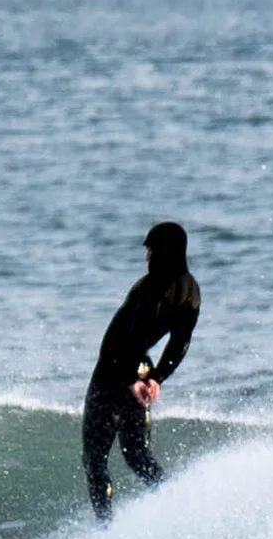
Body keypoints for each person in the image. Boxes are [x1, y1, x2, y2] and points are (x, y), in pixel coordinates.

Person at [81, 221, 200, 522]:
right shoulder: (190, 290)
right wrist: (156, 378)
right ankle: (179, 509)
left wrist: (132, 380)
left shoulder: (149, 289)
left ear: (162, 252)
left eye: (150, 250)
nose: (146, 257)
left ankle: (106, 531)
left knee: (95, 459)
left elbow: (122, 342)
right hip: (140, 368)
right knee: (137, 455)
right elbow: (180, 342)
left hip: (113, 373)